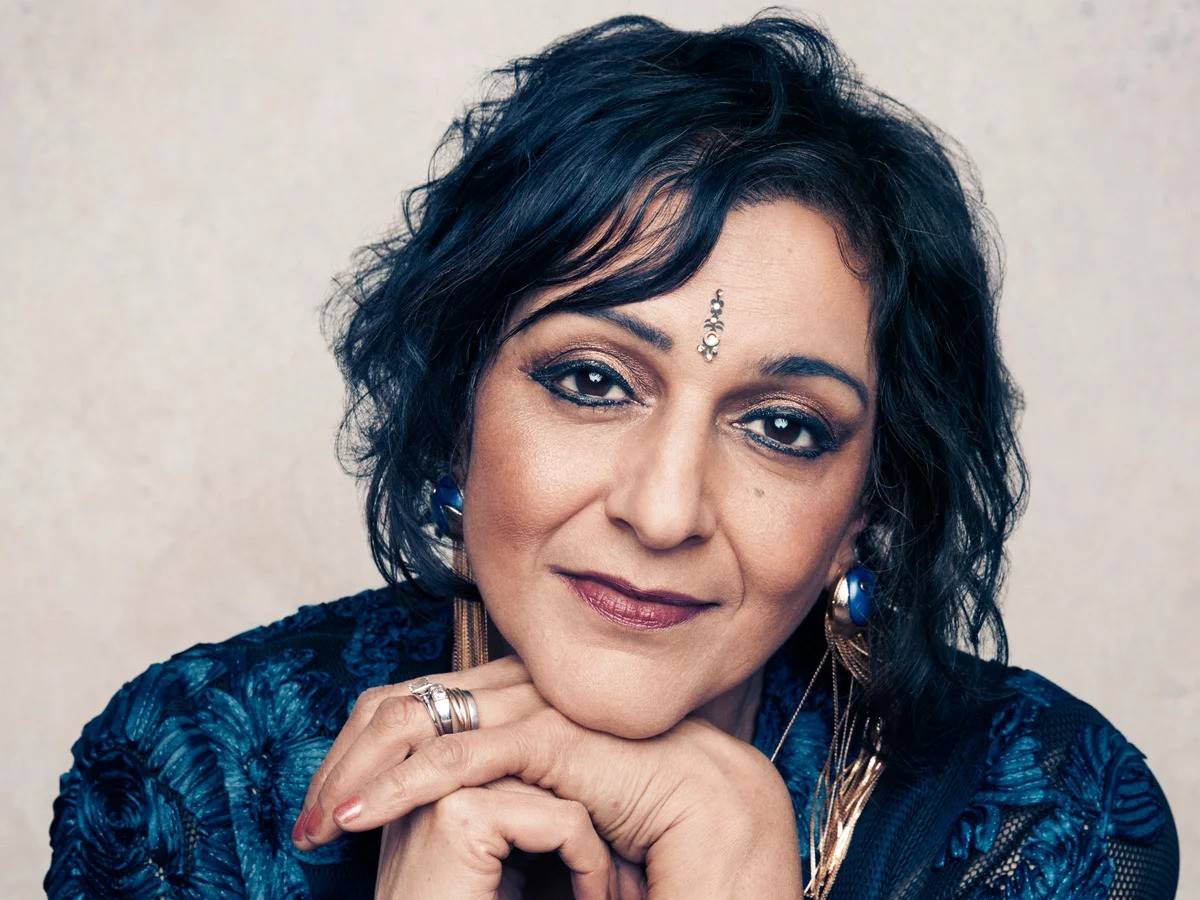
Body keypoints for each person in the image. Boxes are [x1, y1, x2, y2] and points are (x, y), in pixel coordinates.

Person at [45, 12, 1179, 899]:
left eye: (783, 427)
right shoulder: (196, 782)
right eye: (592, 382)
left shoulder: (1044, 816)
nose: (665, 509)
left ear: (868, 505)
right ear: (457, 406)